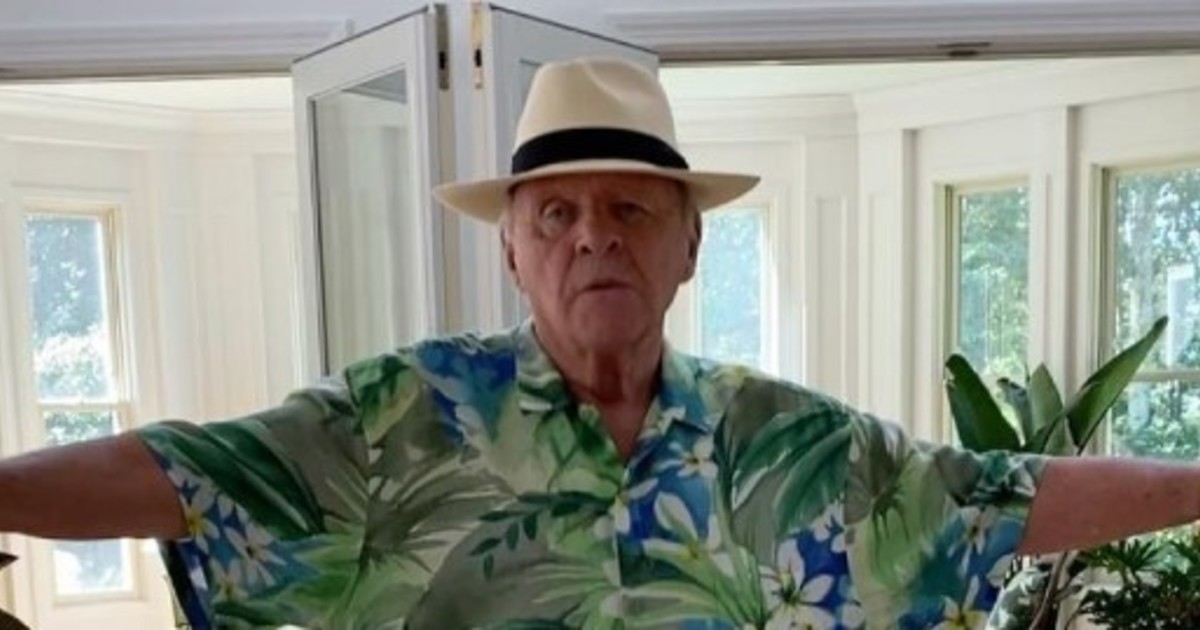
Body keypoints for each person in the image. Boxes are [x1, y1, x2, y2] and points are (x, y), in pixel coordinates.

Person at [1, 57, 1198, 630]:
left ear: (690, 246)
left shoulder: (787, 445)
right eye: (557, 215)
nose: (595, 237)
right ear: (512, 254)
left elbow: (996, 496)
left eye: (631, 207)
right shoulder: (394, 419)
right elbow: (191, 474)